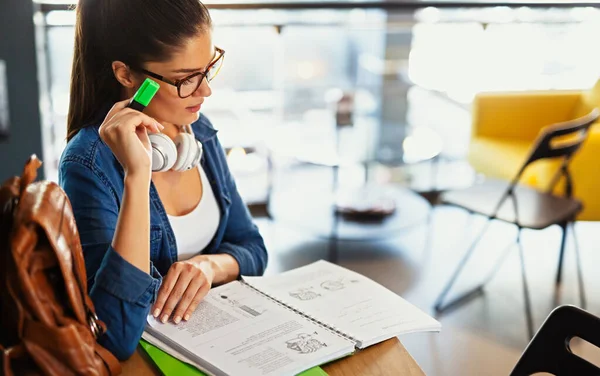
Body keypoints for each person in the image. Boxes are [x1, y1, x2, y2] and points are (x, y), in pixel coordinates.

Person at [59, 0, 267, 360]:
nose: (205, 92)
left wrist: (209, 266)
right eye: (186, 78)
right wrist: (137, 178)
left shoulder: (196, 129)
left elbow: (254, 249)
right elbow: (115, 335)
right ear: (126, 75)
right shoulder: (87, 164)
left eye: (208, 68)